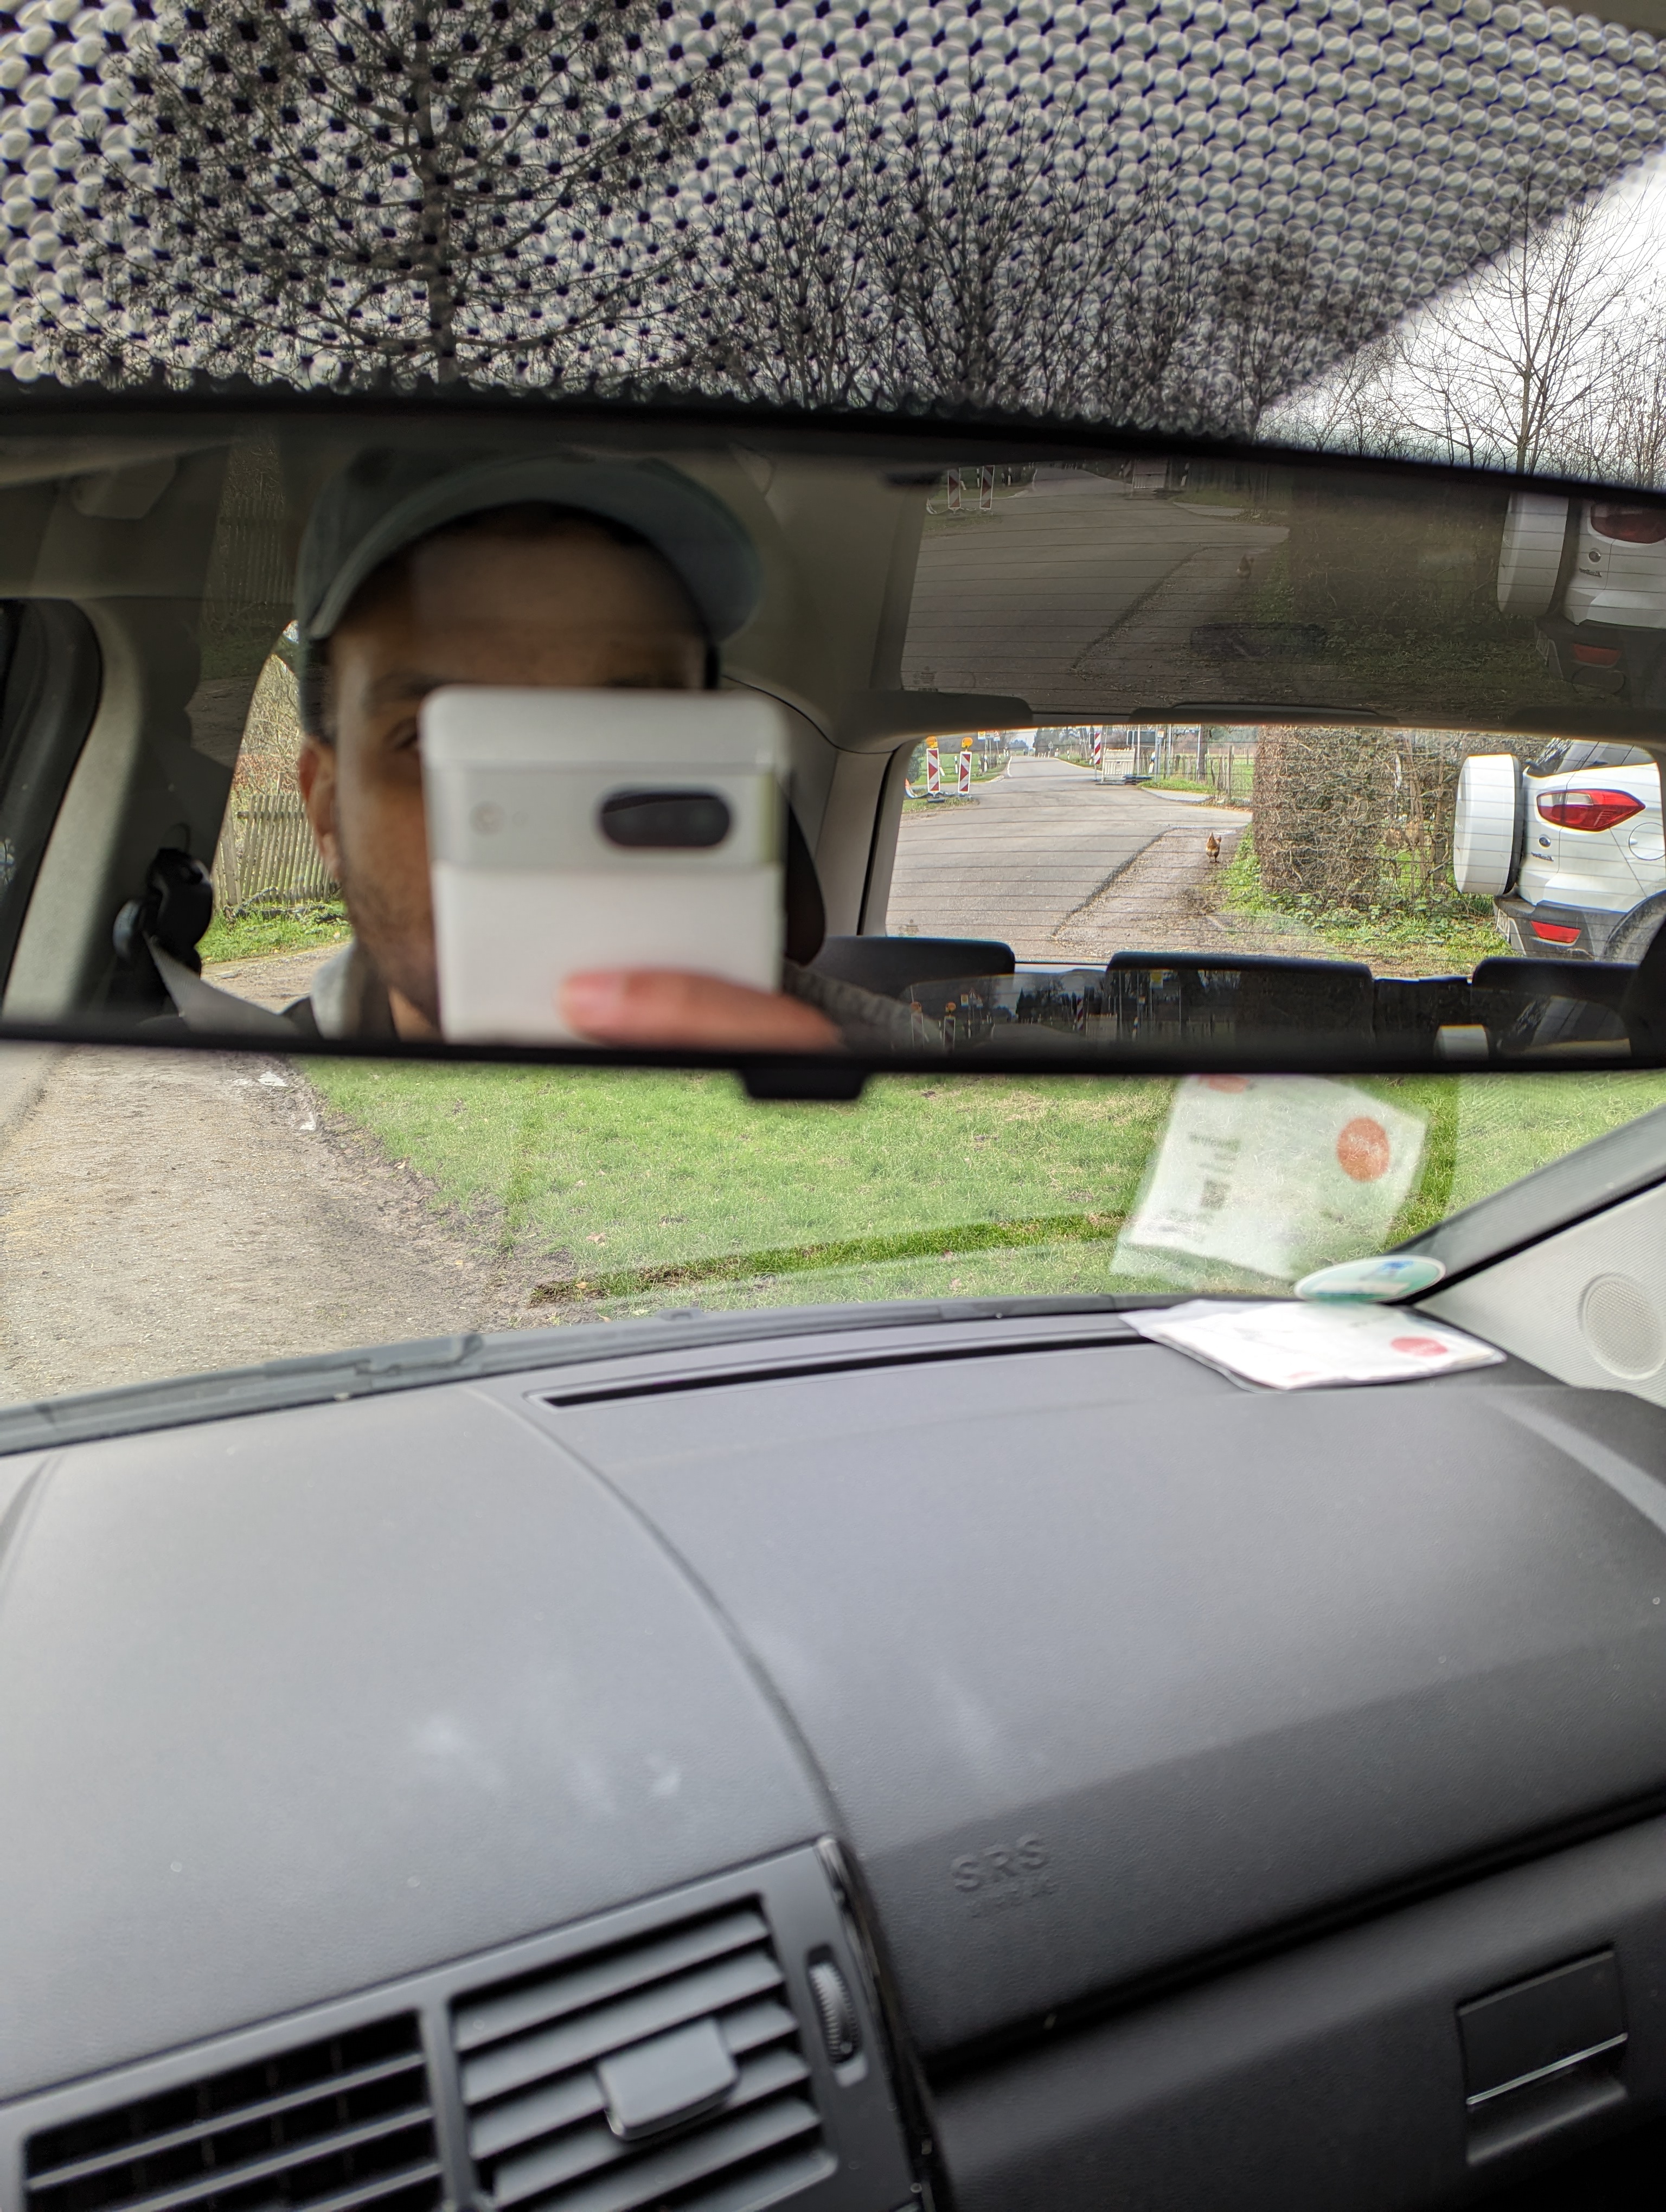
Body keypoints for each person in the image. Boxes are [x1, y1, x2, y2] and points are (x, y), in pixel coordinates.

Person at [284, 447, 898, 1050]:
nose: (544, 829)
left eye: (626, 731)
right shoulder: (260, 1087)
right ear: (326, 812)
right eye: (433, 739)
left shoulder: (890, 1068)